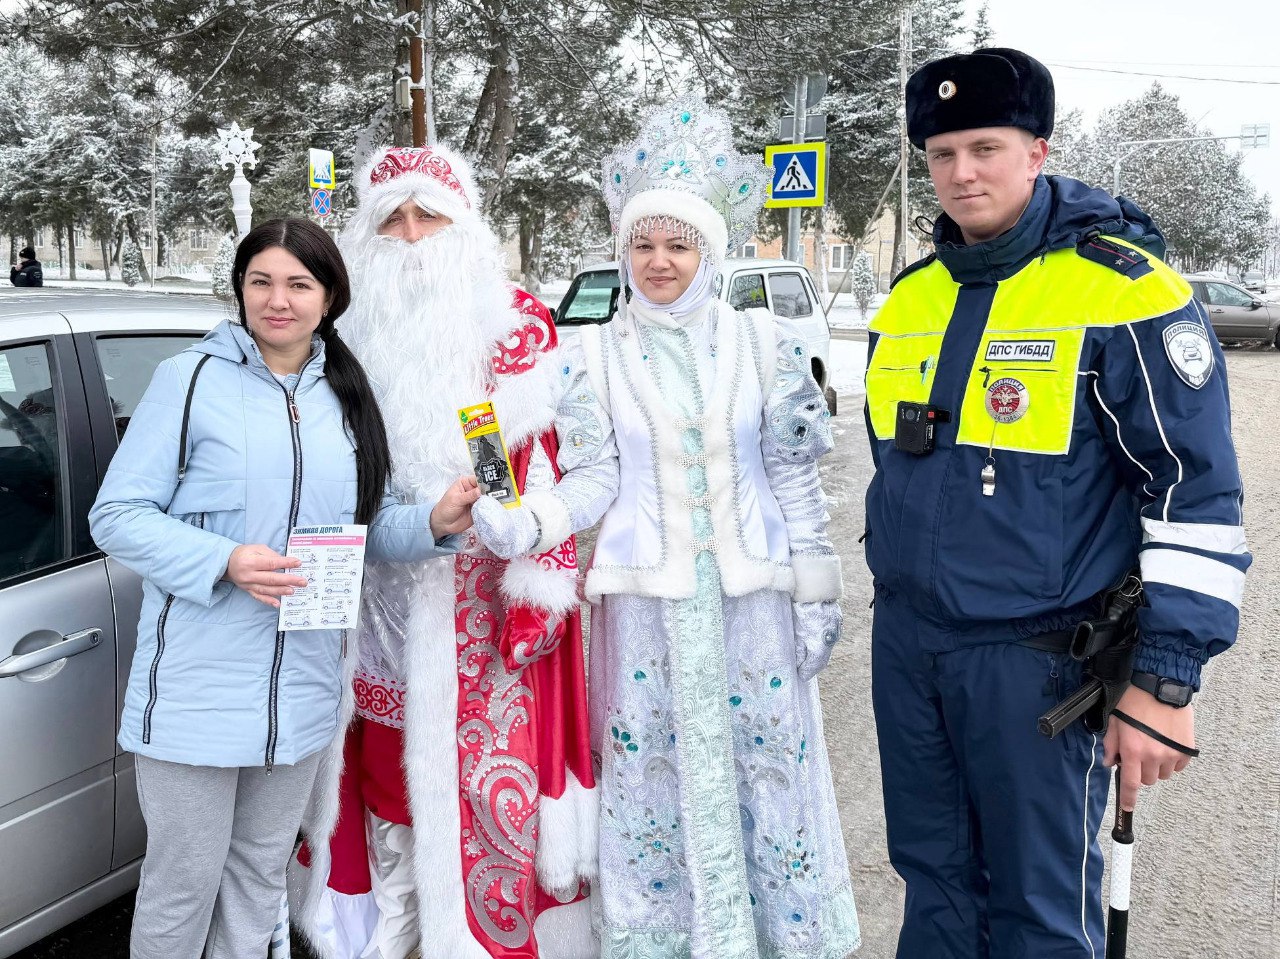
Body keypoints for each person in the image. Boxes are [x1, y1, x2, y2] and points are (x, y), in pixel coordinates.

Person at [864, 48, 1250, 958]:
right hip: (911, 649)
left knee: (1041, 907)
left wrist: (1163, 679)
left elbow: (1194, 494)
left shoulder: (1124, 291)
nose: (962, 173)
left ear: (1038, 150)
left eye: (985, 147)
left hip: (1037, 665)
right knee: (934, 879)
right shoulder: (909, 297)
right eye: (942, 153)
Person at [472, 98, 861, 959]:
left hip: (750, 604)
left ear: (709, 252)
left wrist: (815, 584)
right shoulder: (592, 355)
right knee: (651, 780)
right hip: (644, 614)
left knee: (769, 771)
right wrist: (529, 519)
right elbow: (595, 477)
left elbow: (794, 475)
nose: (658, 261)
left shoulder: (765, 345)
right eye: (642, 245)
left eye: (677, 244)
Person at [89, 217, 479, 959]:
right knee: (183, 883)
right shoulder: (189, 381)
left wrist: (433, 519)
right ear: (238, 289)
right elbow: (117, 515)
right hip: (196, 692)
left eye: (299, 284)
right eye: (260, 281)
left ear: (329, 296)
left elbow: (367, 532)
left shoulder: (348, 393)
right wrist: (224, 558)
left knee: (257, 878)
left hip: (300, 692)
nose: (278, 300)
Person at [289, 145, 597, 959]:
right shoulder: (338, 329)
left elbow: (512, 449)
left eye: (430, 214)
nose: (413, 234)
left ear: (465, 227)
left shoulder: (504, 321)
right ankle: (387, 936)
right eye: (393, 216)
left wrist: (496, 518)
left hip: (474, 597)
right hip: (369, 598)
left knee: (482, 795)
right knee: (384, 789)